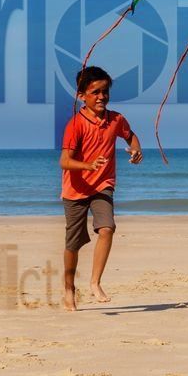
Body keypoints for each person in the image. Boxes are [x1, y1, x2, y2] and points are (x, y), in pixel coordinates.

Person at [59, 66, 142, 311]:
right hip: (75, 189)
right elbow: (64, 161)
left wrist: (137, 150)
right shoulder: (75, 124)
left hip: (102, 186)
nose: (101, 97)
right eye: (95, 92)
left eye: (105, 92)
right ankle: (68, 289)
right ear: (81, 95)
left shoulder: (116, 119)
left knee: (107, 228)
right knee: (72, 245)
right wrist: (88, 165)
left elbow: (131, 136)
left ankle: (95, 283)